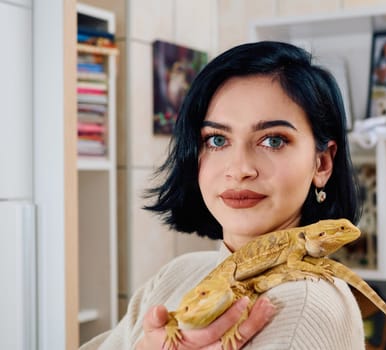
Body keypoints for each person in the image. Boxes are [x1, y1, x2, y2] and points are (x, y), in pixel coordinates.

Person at [80, 41, 365, 350]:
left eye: (273, 141)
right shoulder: (178, 273)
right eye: (217, 139)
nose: (240, 168)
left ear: (322, 163)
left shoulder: (303, 304)